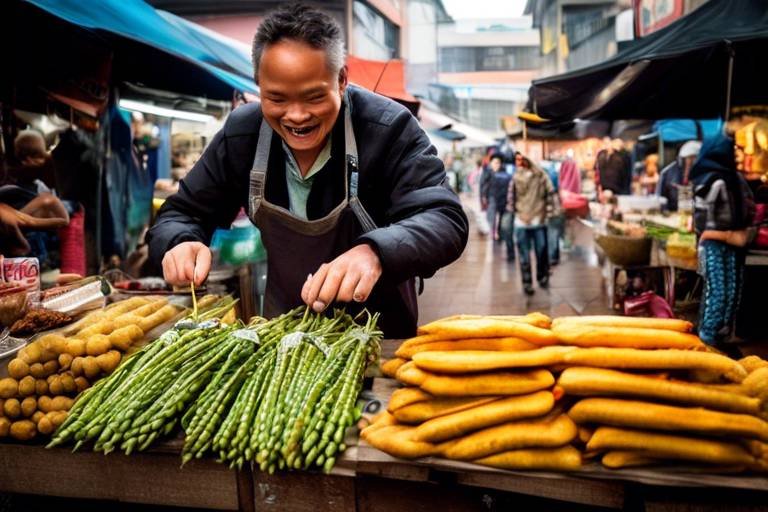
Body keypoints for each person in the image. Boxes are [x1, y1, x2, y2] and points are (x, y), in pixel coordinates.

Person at [146, 4, 468, 338]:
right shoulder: (243, 134)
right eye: (277, 99)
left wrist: (375, 251)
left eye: (314, 97)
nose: (297, 116)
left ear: (341, 80)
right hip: (284, 337)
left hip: (379, 338)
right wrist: (179, 241)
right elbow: (182, 212)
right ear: (258, 85)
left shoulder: (388, 129)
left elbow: (444, 218)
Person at [507, 155, 556, 295]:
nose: (518, 163)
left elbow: (551, 194)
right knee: (524, 255)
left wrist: (546, 212)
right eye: (516, 160)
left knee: (541, 251)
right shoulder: (515, 178)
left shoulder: (541, 176)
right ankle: (527, 283)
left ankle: (542, 277)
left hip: (538, 220)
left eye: (521, 160)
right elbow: (510, 200)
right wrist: (516, 214)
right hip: (521, 221)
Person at [656, 140, 701, 211]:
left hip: (696, 214)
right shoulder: (667, 173)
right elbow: (660, 199)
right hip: (673, 216)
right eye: (689, 158)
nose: (691, 161)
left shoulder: (705, 175)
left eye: (694, 158)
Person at [482, 154, 510, 242]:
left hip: (503, 198)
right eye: (494, 163)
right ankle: (493, 233)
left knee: (501, 217)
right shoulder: (488, 173)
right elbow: (484, 185)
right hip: (492, 197)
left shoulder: (504, 174)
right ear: (491, 163)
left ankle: (499, 233)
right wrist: (484, 196)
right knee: (492, 216)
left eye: (498, 163)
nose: (496, 165)